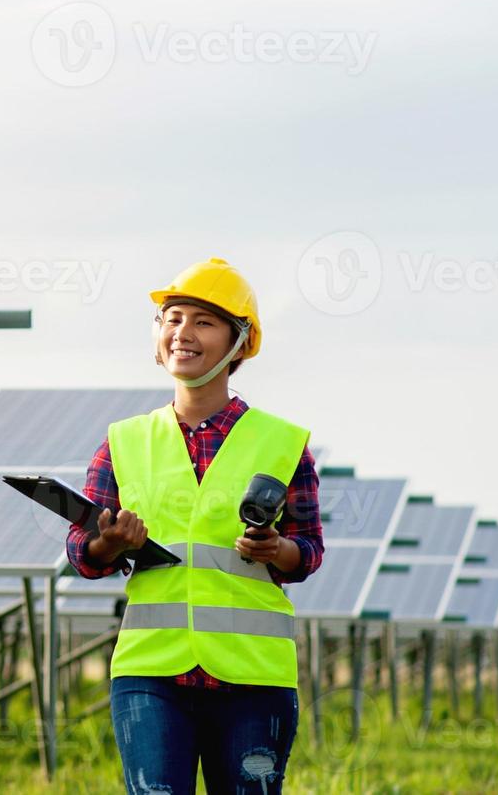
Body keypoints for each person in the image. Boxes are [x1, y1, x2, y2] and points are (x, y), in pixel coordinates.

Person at [65, 257, 323, 794]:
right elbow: (82, 554)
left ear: (239, 343)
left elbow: (309, 552)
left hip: (253, 675)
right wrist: (109, 541)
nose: (182, 332)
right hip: (151, 671)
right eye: (172, 318)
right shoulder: (123, 440)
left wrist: (276, 549)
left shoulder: (282, 443)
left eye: (203, 322)